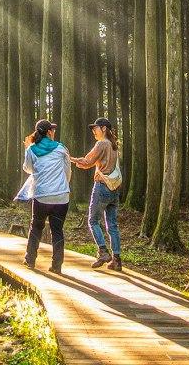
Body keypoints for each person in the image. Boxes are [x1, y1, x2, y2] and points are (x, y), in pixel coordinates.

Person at [15, 118, 71, 274]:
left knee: (36, 227)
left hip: (41, 197)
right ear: (49, 132)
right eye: (52, 130)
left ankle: (30, 259)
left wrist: (28, 148)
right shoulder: (61, 148)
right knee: (57, 230)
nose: (54, 132)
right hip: (61, 197)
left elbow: (28, 169)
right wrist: (62, 185)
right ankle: (57, 265)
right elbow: (67, 172)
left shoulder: (32, 149)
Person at [71, 116, 122, 271]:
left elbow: (87, 161)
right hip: (114, 189)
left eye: (96, 128)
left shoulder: (102, 144)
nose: (93, 131)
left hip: (101, 187)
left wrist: (70, 159)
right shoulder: (114, 145)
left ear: (104, 129)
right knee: (112, 225)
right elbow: (90, 164)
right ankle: (117, 260)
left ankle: (103, 252)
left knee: (93, 221)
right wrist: (81, 163)